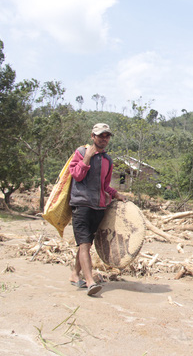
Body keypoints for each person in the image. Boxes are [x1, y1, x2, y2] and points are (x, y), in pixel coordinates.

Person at [68, 123, 126, 296]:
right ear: (93, 136)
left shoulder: (108, 161)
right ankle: (90, 281)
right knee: (84, 244)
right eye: (101, 135)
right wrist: (87, 157)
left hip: (99, 206)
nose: (104, 139)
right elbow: (77, 175)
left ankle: (73, 274)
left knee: (86, 243)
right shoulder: (80, 152)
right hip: (81, 204)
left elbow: (105, 186)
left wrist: (116, 195)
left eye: (107, 136)